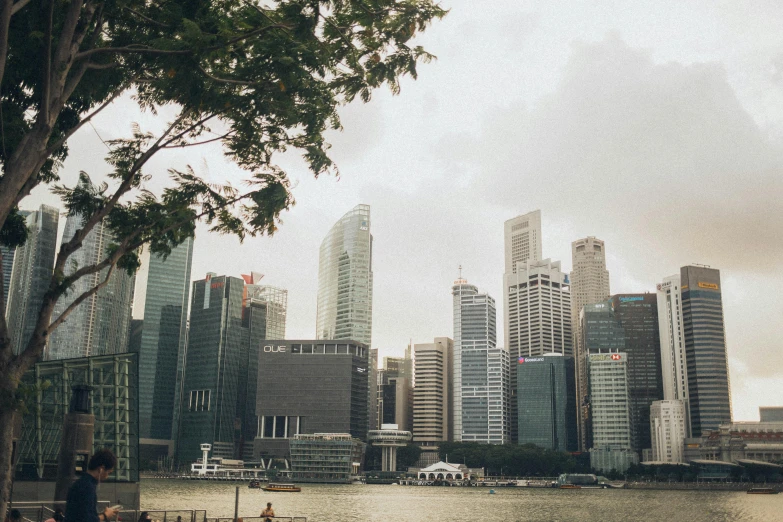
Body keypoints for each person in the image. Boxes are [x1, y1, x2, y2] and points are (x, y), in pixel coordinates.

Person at [63, 449, 119, 522]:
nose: (107, 477)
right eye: (108, 472)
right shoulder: (87, 487)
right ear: (101, 469)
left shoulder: (80, 483)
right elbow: (87, 519)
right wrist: (105, 515)